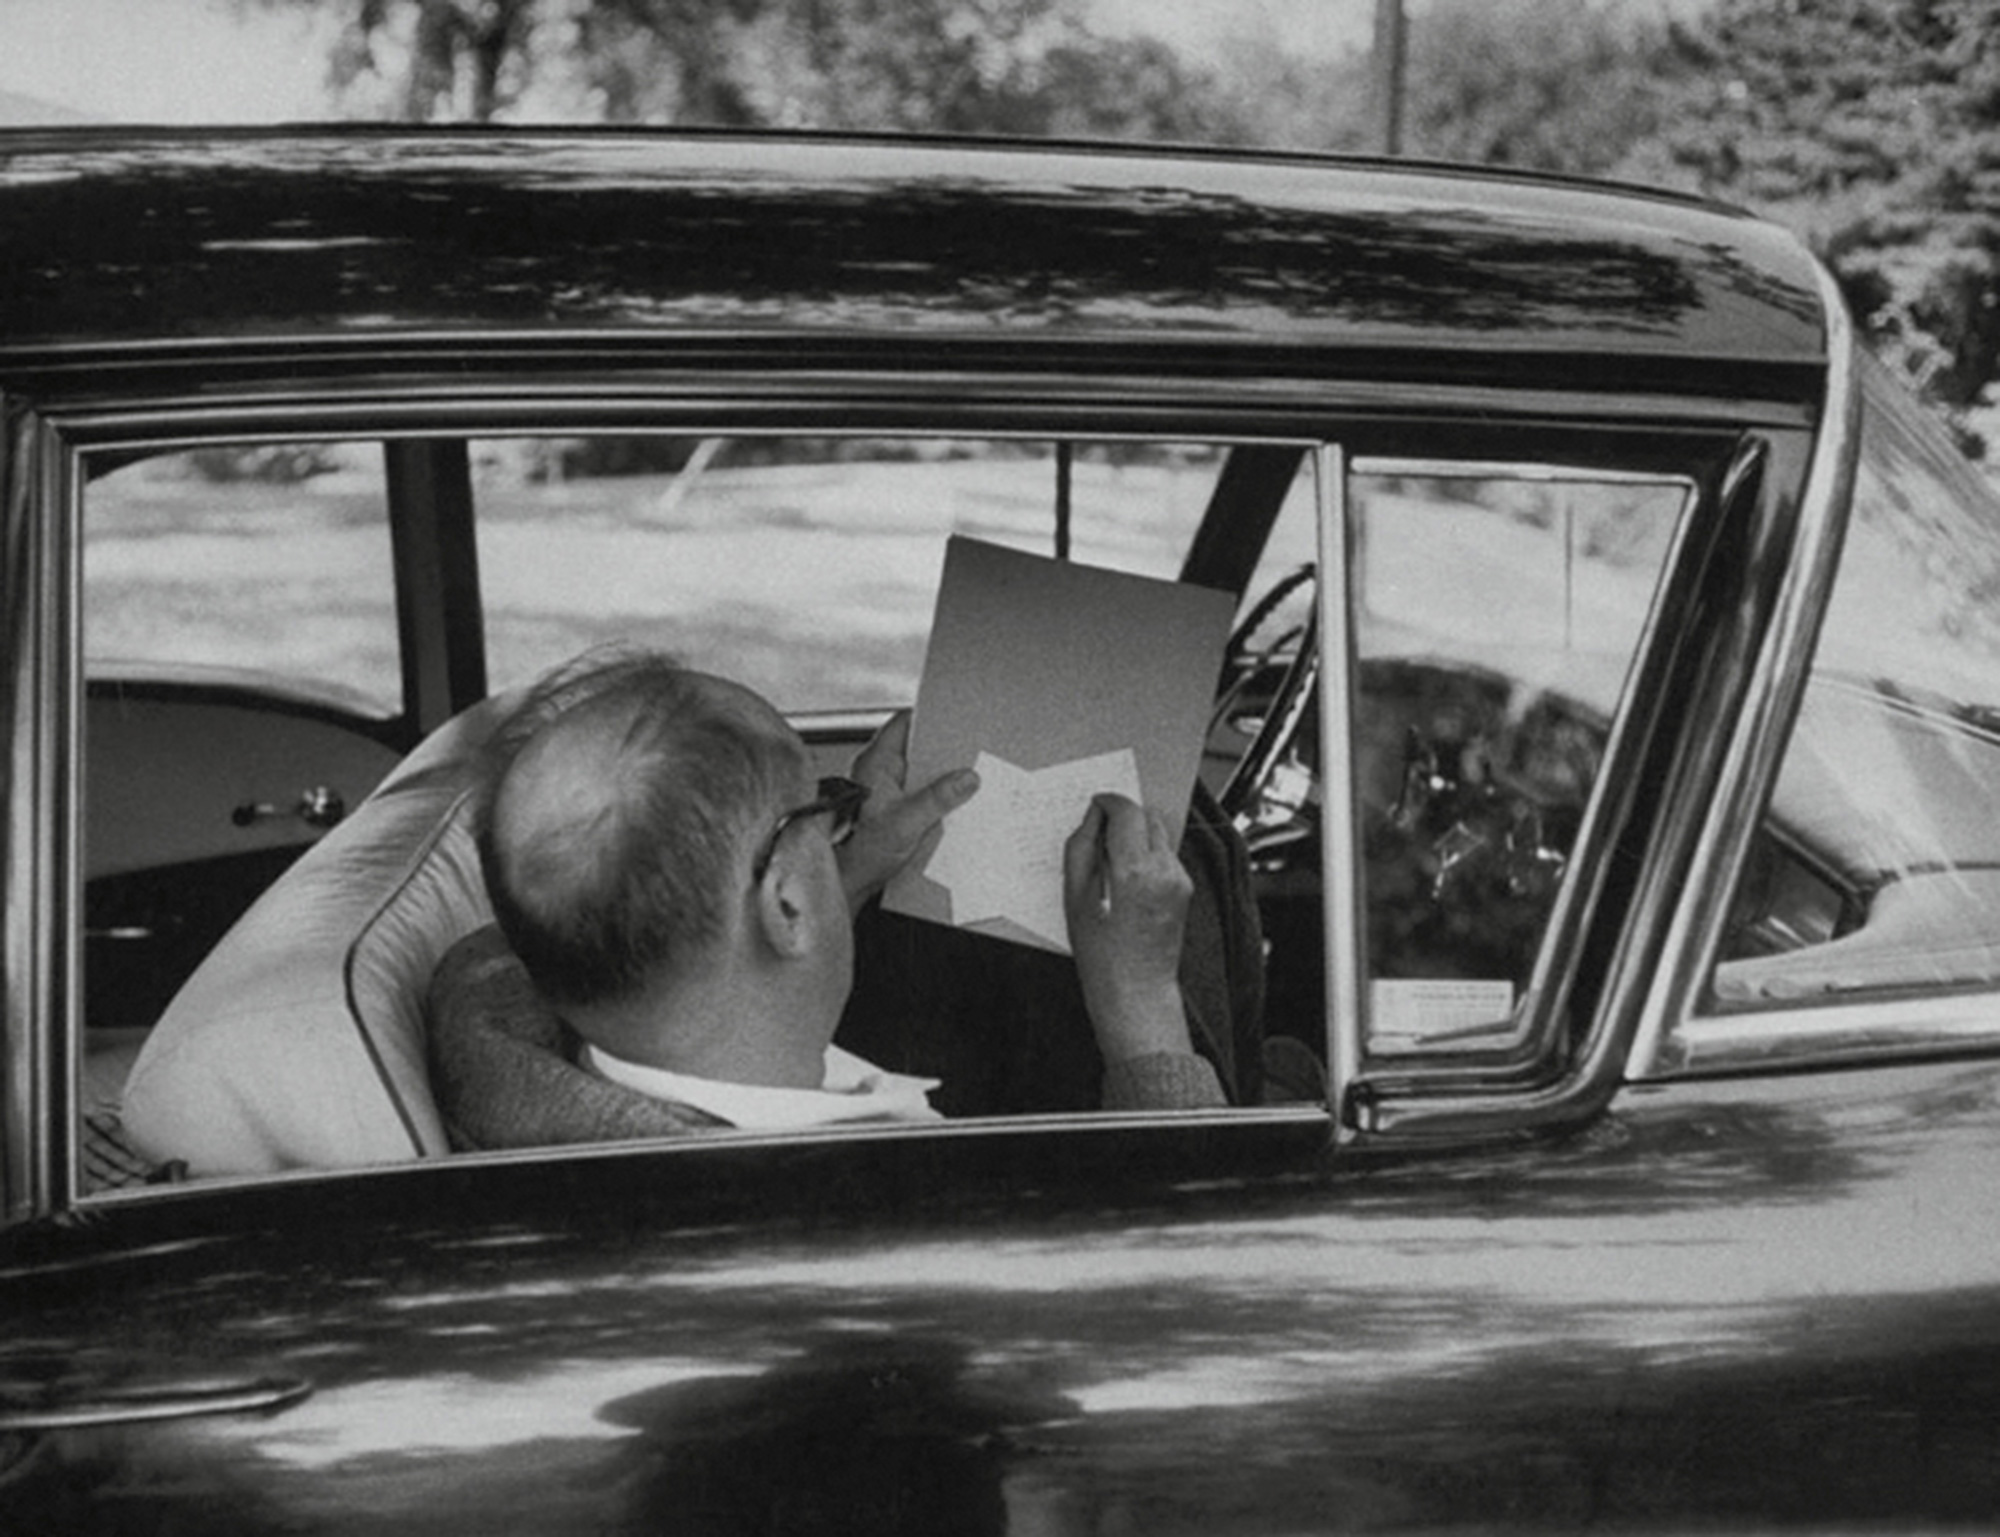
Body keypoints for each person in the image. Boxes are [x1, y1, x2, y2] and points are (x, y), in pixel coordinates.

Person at [427, 648, 1235, 1150]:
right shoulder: (894, 1201)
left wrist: (844, 874)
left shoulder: (492, 1034)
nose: (841, 823)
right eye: (821, 807)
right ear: (783, 909)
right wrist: (1142, 1014)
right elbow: (1205, 1316)